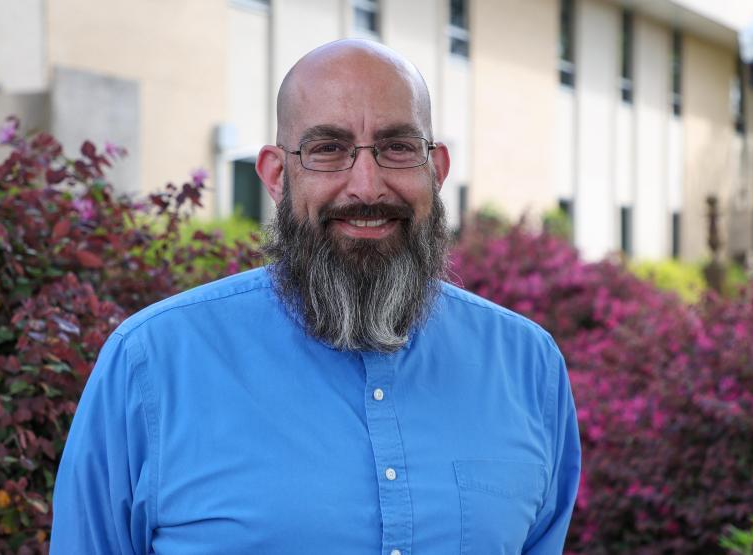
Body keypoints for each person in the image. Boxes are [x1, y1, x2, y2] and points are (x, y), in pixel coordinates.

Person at [50, 39, 580, 554]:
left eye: (398, 147)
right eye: (329, 149)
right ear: (277, 176)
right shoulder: (151, 364)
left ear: (436, 170)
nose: (367, 186)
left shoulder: (528, 367)